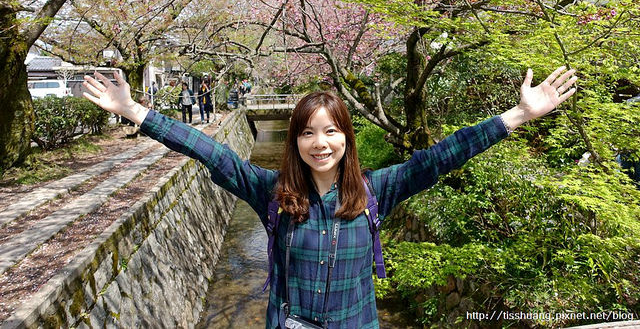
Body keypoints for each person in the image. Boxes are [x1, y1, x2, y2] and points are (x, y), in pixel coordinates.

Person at [82, 66, 577, 328]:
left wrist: (516, 117)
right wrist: (137, 113)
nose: (321, 143)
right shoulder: (271, 194)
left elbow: (442, 156)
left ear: (346, 138)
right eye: (308, 133)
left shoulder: (375, 191)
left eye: (332, 131)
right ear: (295, 140)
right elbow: (212, 153)